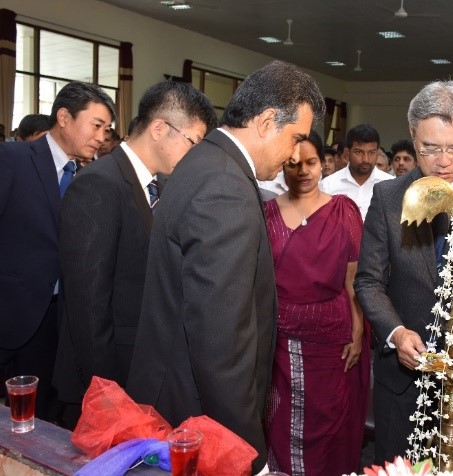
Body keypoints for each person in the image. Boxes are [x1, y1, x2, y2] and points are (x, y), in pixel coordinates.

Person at [126, 60, 325, 474]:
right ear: (267, 122)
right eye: (295, 139)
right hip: (193, 416)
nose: (295, 155)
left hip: (172, 395)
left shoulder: (203, 161)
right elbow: (221, 342)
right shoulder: (226, 187)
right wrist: (249, 456)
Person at [354, 80, 453, 464]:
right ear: (413, 136)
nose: (443, 161)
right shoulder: (389, 196)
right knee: (397, 467)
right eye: (429, 148)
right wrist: (396, 333)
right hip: (402, 378)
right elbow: (369, 280)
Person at [53, 81, 216, 430]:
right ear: (159, 128)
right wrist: (107, 392)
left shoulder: (160, 186)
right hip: (107, 379)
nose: (194, 156)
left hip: (141, 368)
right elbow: (87, 303)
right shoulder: (99, 183)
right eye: (192, 142)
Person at [0, 82, 115, 422]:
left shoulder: (89, 177)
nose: (101, 137)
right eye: (96, 125)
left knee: (37, 418)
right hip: (9, 311)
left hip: (57, 320)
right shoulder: (13, 159)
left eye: (106, 130)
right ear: (64, 117)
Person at [263, 130, 369, 475]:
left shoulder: (343, 211)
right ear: (282, 167)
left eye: (310, 162)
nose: (303, 171)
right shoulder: (266, 213)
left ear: (324, 163)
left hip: (331, 340)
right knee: (278, 417)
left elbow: (353, 280)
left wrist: (357, 330)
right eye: (293, 164)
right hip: (278, 340)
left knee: (329, 420)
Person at [319, 124, 394, 221]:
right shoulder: (327, 186)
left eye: (371, 153)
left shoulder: (391, 185)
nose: (365, 159)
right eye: (359, 152)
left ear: (378, 152)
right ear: (347, 153)